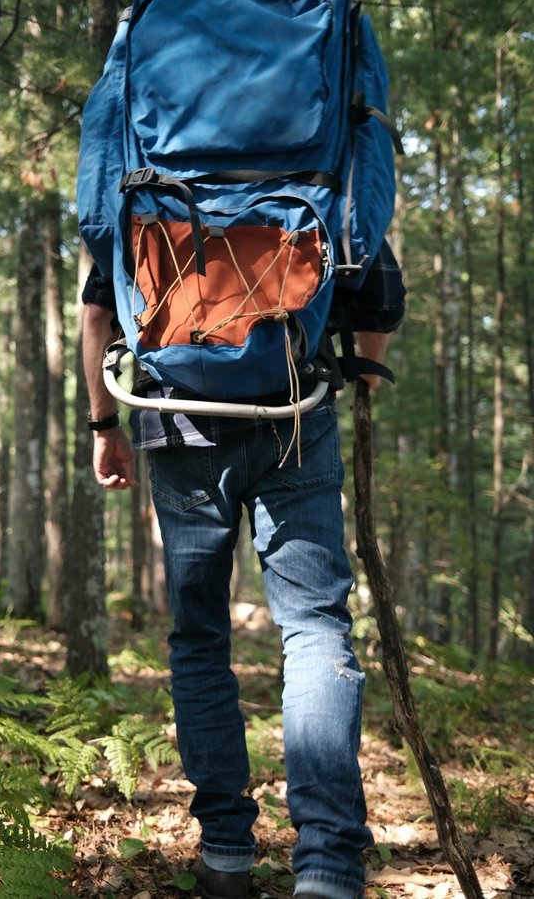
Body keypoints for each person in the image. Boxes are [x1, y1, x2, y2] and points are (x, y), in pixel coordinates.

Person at [82, 241, 406, 899]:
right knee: (315, 628)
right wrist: (365, 373)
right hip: (295, 410)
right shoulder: (313, 161)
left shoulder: (158, 161)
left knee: (200, 633)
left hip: (178, 419)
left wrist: (103, 424)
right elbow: (381, 296)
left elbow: (97, 314)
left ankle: (227, 852)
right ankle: (328, 866)